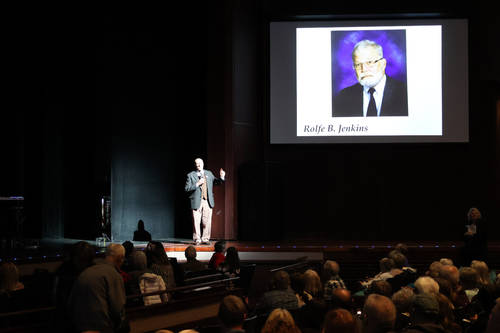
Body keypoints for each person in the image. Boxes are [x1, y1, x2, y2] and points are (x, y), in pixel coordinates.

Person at [332, 39, 408, 117]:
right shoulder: (343, 97)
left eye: (369, 62)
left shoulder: (405, 93)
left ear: (383, 64)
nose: (363, 69)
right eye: (358, 65)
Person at [68, 243, 129, 333]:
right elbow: (118, 309)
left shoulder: (85, 272)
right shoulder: (114, 275)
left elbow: (70, 304)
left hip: (79, 327)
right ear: (121, 258)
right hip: (101, 328)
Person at [185, 157, 225, 245]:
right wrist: (197, 184)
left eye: (200, 163)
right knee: (196, 221)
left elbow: (216, 182)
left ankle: (205, 239)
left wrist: (222, 177)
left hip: (207, 200)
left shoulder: (209, 173)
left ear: (203, 163)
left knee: (206, 221)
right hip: (196, 201)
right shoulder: (190, 175)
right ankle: (197, 239)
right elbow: (187, 188)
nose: (198, 165)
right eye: (196, 163)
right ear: (195, 165)